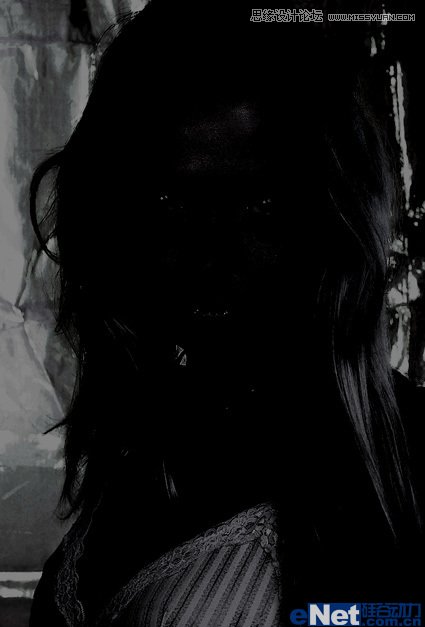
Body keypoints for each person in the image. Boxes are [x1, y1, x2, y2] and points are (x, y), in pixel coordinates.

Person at [29, 1, 423, 625]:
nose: (211, 255)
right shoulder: (156, 449)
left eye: (263, 205)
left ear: (331, 214)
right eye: (169, 201)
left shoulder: (403, 467)